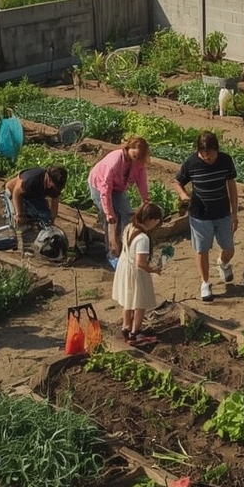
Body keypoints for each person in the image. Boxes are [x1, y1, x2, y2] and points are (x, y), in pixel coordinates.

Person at [174, 131, 238, 303]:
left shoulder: (225, 160)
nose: (207, 158)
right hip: (200, 215)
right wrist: (183, 195)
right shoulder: (191, 163)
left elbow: (231, 186)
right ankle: (205, 283)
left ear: (217, 150)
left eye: (210, 155)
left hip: (222, 212)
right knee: (202, 250)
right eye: (203, 154)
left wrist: (234, 213)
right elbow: (177, 182)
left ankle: (222, 263)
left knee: (229, 249)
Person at [88, 136, 150, 270]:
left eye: (140, 157)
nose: (137, 159)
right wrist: (109, 213)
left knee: (126, 214)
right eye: (135, 155)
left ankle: (126, 247)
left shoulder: (138, 162)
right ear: (128, 148)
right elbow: (105, 189)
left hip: (118, 187)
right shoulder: (113, 162)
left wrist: (146, 199)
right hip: (99, 186)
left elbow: (141, 181)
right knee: (111, 221)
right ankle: (112, 253)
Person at [112, 203, 164, 345]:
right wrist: (154, 270)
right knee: (139, 302)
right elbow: (140, 263)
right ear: (149, 219)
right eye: (156, 221)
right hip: (136, 273)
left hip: (124, 268)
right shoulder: (142, 239)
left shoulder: (129, 227)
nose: (156, 224)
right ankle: (135, 333)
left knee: (128, 300)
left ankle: (126, 327)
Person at [3, 165, 68, 228]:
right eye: (52, 184)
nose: (52, 187)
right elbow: (16, 192)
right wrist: (19, 214)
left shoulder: (55, 187)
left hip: (33, 196)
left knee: (45, 217)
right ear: (48, 177)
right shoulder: (31, 180)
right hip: (14, 193)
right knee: (20, 220)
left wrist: (51, 221)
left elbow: (54, 204)